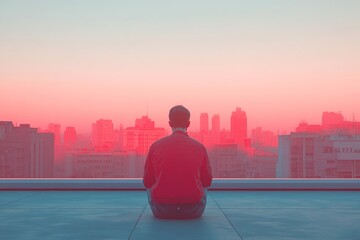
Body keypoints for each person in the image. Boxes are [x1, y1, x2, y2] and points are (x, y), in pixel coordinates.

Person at [143, 105, 213, 219]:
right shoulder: (200, 147)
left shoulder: (155, 147)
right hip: (194, 210)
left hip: (161, 210)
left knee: (150, 186)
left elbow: (147, 181)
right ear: (188, 124)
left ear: (170, 123)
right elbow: (207, 181)